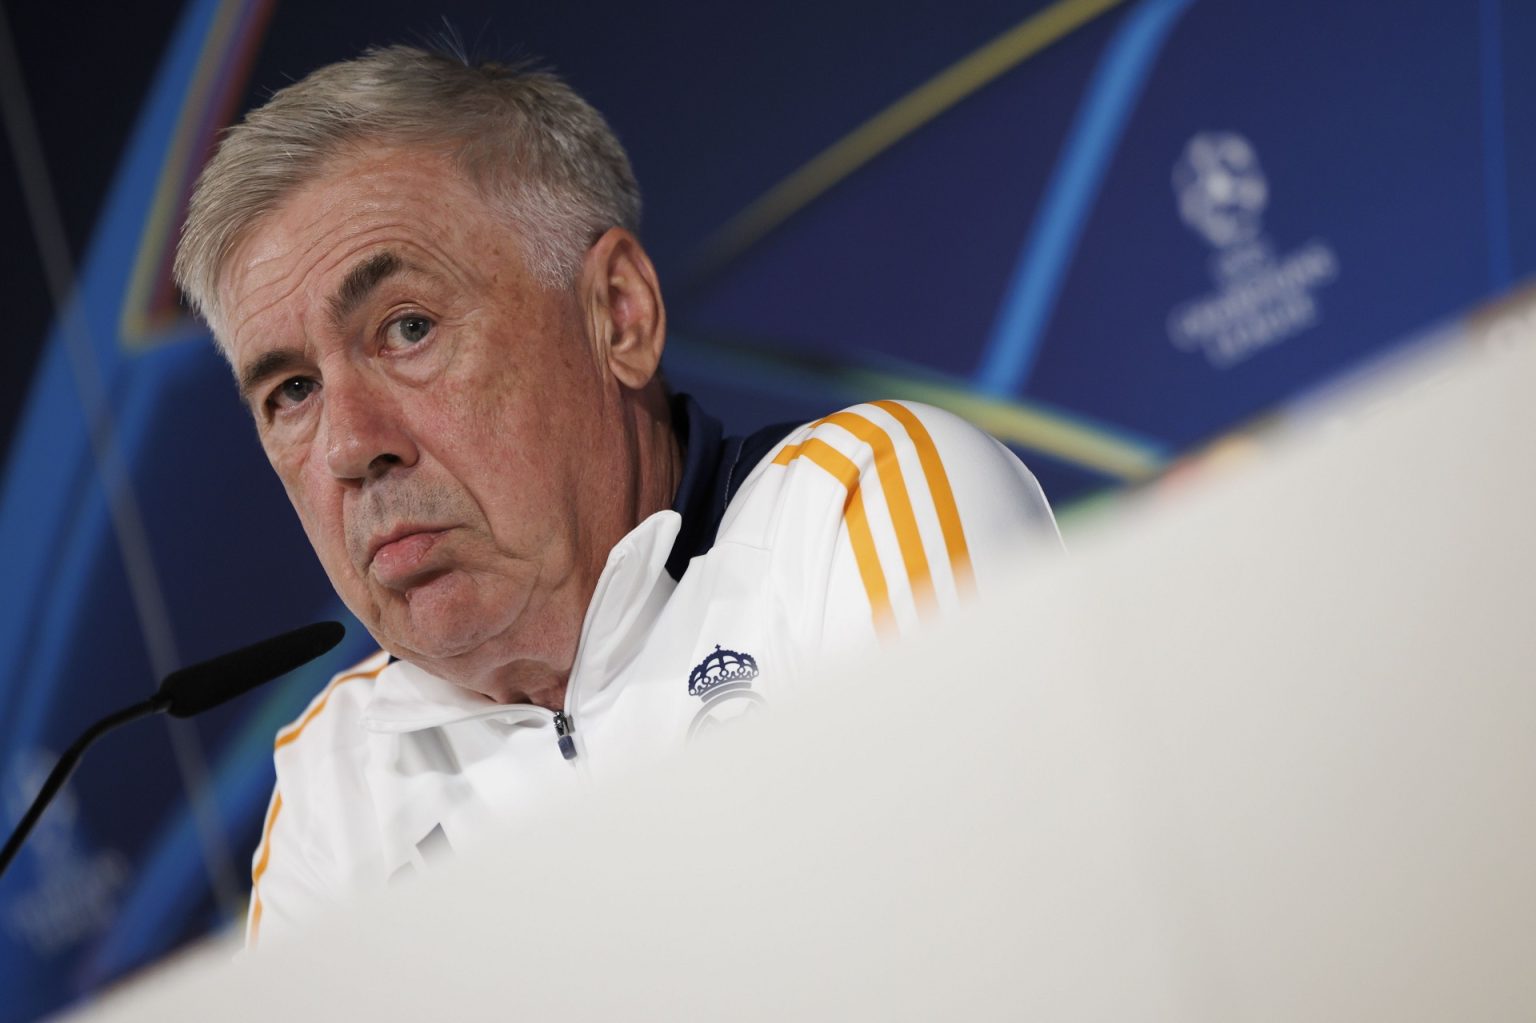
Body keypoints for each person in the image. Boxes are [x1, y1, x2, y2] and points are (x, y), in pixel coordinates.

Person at [173, 44, 1062, 947]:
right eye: (292, 391)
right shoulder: (335, 783)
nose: (350, 445)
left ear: (618, 314)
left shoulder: (854, 509)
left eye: (407, 329)